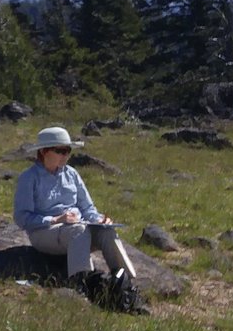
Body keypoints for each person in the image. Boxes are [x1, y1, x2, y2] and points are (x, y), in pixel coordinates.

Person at [13, 125, 141, 309]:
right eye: (60, 151)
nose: (66, 155)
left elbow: (87, 207)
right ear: (43, 152)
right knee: (78, 231)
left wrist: (99, 220)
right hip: (44, 232)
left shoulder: (72, 174)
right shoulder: (29, 178)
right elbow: (21, 217)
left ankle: (125, 282)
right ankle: (82, 284)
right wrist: (55, 220)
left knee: (107, 232)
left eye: (68, 151)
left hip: (76, 227)